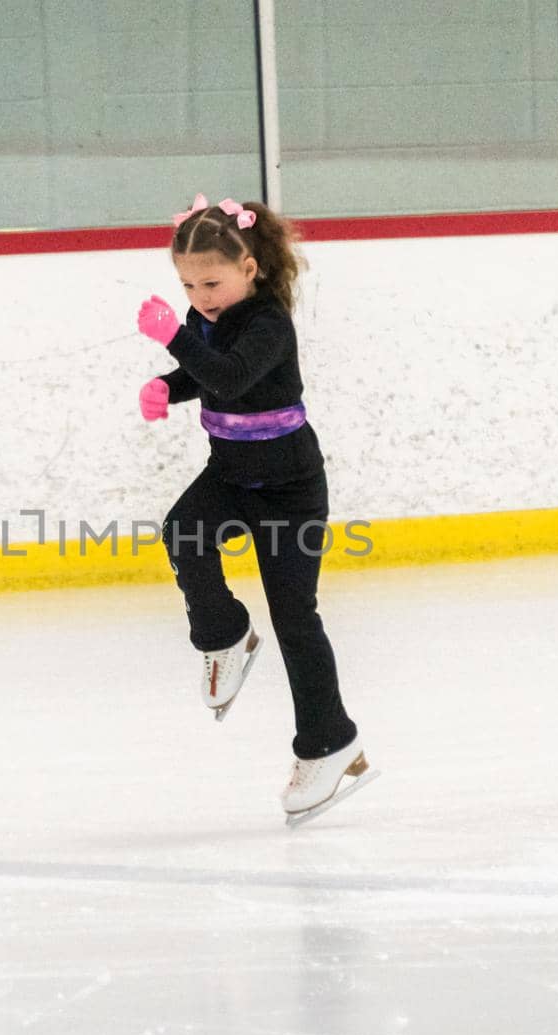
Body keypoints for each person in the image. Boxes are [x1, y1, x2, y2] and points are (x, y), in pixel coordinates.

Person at [135, 193, 377, 826]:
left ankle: (330, 741)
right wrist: (169, 384)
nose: (201, 295)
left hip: (290, 488)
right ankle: (225, 636)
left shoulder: (269, 320)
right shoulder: (208, 315)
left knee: (296, 617)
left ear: (250, 266)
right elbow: (208, 370)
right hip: (232, 474)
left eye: (212, 281)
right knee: (184, 533)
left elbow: (234, 376)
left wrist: (175, 341)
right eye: (188, 284)